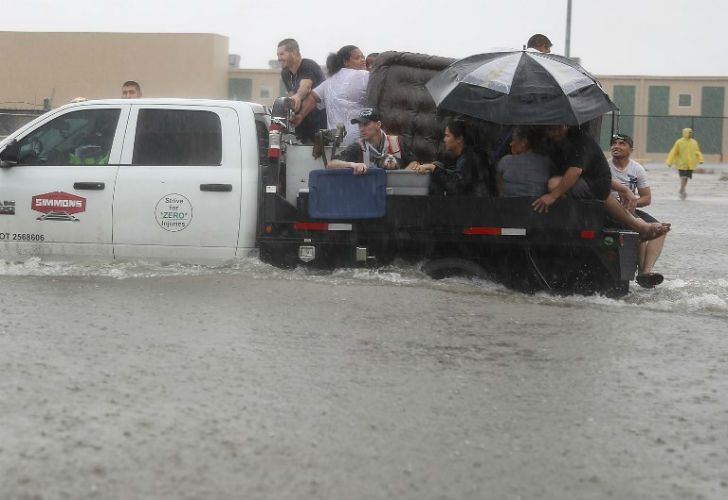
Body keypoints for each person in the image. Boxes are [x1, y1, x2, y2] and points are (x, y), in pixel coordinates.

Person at [533, 125, 670, 242]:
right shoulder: (549, 143)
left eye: (559, 128)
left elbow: (577, 172)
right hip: (601, 192)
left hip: (598, 190)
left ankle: (645, 264)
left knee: (554, 184)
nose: (555, 132)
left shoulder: (578, 140)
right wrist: (624, 189)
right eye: (551, 129)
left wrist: (552, 196)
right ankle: (641, 227)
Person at [609, 133, 666, 288]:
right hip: (611, 210)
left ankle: (646, 272)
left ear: (631, 149)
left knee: (661, 228)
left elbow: (647, 198)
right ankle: (642, 273)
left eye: (622, 143)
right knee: (640, 227)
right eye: (614, 143)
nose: (616, 146)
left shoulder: (637, 169)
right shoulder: (605, 167)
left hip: (630, 209)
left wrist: (633, 201)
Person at [293, 45, 369, 145]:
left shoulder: (328, 82)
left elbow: (313, 97)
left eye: (363, 57)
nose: (363, 60)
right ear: (345, 62)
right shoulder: (365, 75)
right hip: (360, 143)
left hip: (335, 143)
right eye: (357, 58)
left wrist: (301, 115)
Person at [410, 119, 490, 196]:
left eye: (447, 136)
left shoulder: (468, 159)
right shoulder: (468, 156)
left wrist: (434, 168)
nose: (444, 140)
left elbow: (455, 186)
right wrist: (437, 166)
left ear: (459, 139)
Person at [327, 108, 417, 175]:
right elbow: (330, 165)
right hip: (370, 194)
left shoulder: (397, 142)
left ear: (378, 125)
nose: (361, 129)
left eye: (366, 124)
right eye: (360, 125)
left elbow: (414, 163)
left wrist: (402, 176)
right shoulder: (357, 147)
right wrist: (353, 165)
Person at [276, 38, 327, 144]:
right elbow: (292, 98)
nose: (279, 58)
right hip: (301, 126)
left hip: (320, 127)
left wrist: (298, 96)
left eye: (282, 54)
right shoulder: (285, 73)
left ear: (294, 52)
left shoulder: (308, 65)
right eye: (278, 55)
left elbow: (305, 86)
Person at [496, 126, 552, 197]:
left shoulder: (506, 161)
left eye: (513, 140)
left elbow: (500, 191)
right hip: (536, 206)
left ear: (524, 142)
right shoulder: (547, 163)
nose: (510, 144)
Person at [666, 127, 704, 199]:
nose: (690, 134)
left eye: (691, 132)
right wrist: (669, 161)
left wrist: (701, 159)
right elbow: (673, 152)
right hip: (681, 164)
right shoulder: (679, 142)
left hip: (690, 164)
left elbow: (697, 152)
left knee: (687, 178)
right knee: (683, 177)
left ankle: (682, 189)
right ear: (685, 133)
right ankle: (682, 189)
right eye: (689, 132)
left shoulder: (694, 142)